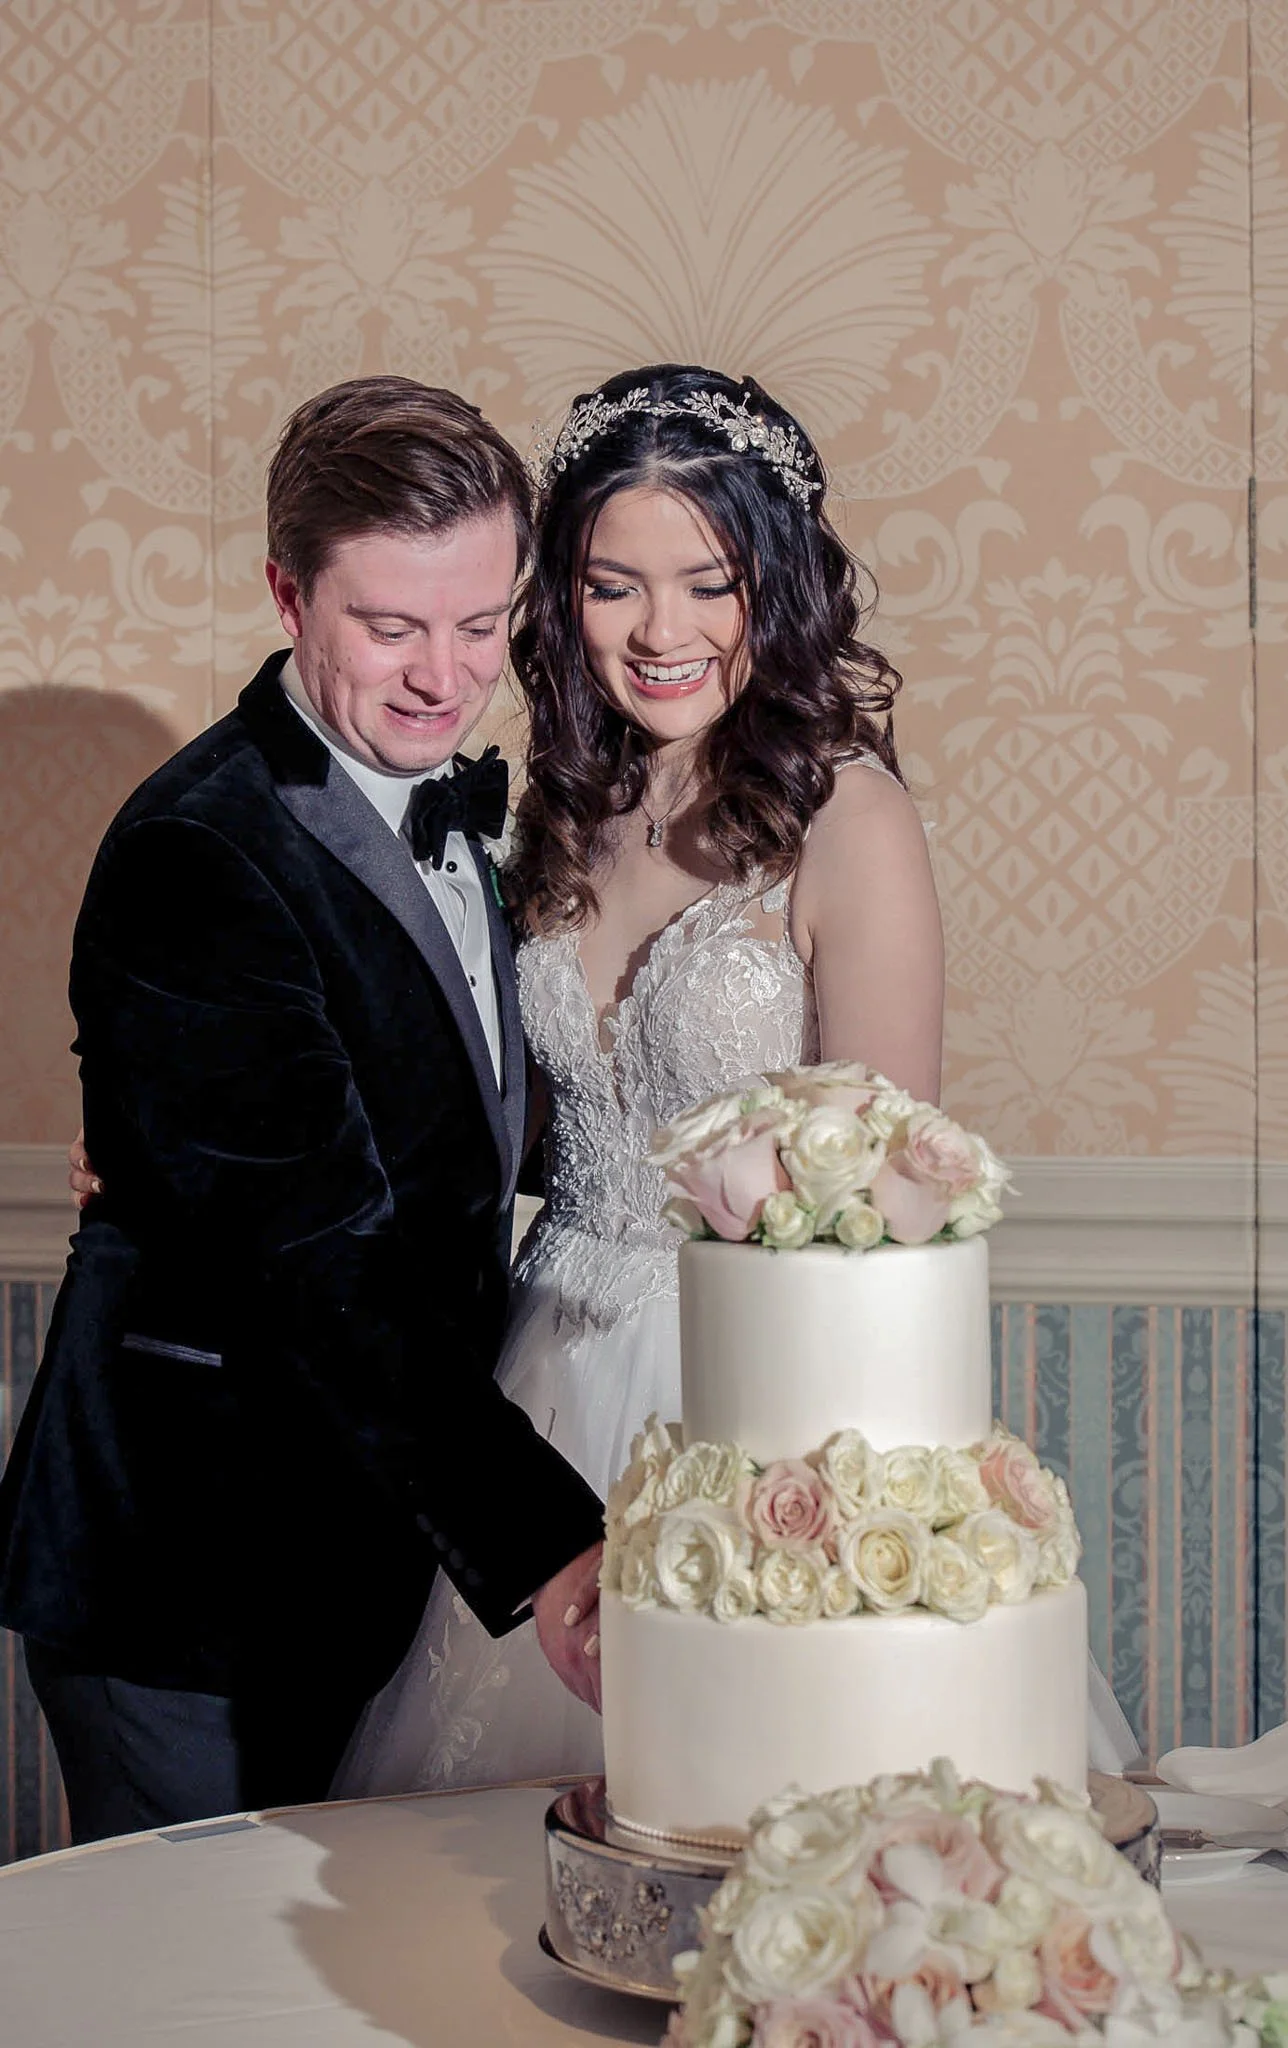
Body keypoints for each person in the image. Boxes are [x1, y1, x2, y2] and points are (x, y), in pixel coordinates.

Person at [0, 377, 606, 1843]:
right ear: (286, 592)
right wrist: (553, 1548)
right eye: (390, 627)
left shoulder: (481, 814)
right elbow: (319, 1255)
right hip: (192, 1565)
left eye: (480, 625)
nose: (442, 679)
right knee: (196, 1987)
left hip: (370, 1529)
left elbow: (458, 1124)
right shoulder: (199, 856)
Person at [331, 363, 948, 1794]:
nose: (661, 632)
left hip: (751, 1384)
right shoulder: (556, 805)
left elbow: (887, 1211)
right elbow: (480, 1103)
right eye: (614, 585)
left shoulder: (846, 821)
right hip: (535, 1365)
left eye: (708, 583)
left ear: (774, 587)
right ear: (562, 596)